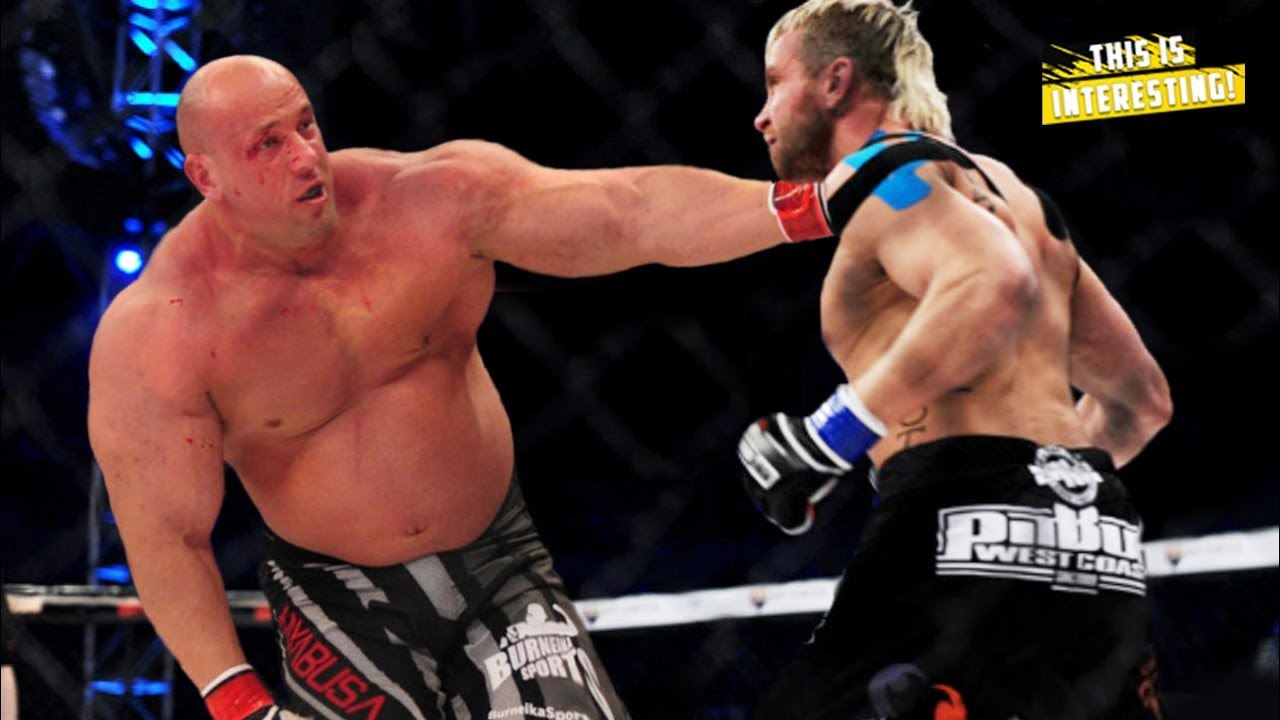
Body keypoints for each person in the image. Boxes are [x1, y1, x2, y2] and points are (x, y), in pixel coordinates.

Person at [86, 54, 797, 720]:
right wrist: (238, 703)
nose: (305, 156)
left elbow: (631, 212)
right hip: (337, 599)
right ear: (206, 176)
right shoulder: (164, 330)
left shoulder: (427, 202)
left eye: (306, 124)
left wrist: (803, 206)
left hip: (499, 562)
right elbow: (168, 537)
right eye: (267, 145)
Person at [734, 1, 1173, 718]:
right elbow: (1141, 401)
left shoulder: (885, 172)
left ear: (836, 82)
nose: (761, 116)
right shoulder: (1021, 199)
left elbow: (992, 280)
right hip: (1098, 540)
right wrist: (1046, 504)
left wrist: (826, 439)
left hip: (951, 523)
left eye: (775, 83)